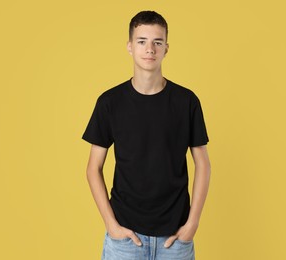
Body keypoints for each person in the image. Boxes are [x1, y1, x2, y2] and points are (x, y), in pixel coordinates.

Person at [82, 10, 211, 260]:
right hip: (125, 238)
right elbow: (92, 168)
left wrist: (192, 225)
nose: (150, 49)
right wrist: (111, 225)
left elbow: (203, 165)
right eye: (142, 41)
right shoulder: (110, 103)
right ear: (130, 46)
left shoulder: (186, 102)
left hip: (175, 239)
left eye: (157, 42)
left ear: (166, 48)